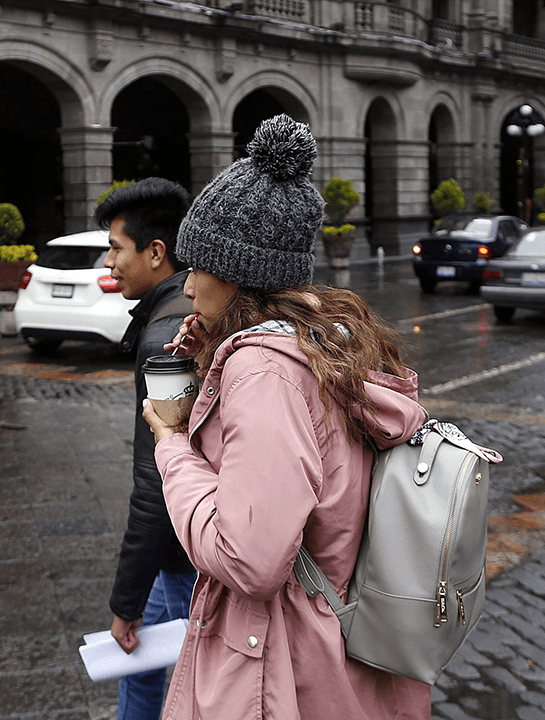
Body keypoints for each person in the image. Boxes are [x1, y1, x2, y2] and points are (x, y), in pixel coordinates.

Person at [142, 115, 431, 718]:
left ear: (238, 274)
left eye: (197, 267)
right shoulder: (319, 344)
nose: (187, 287)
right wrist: (211, 366)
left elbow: (249, 557)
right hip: (337, 649)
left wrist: (171, 444)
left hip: (285, 672)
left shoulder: (265, 373)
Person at [95, 177, 197, 720]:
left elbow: (159, 476)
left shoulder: (167, 340)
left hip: (184, 553)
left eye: (116, 248)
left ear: (155, 252)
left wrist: (123, 601)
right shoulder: (178, 312)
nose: (109, 264)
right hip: (175, 548)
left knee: (199, 686)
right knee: (136, 665)